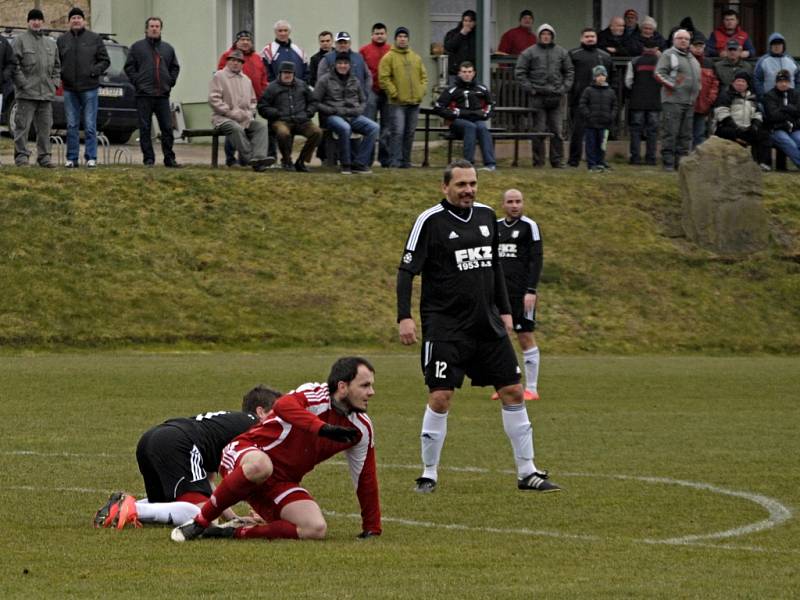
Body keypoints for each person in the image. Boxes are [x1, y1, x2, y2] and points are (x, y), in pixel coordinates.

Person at [396, 159, 560, 494]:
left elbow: (495, 266)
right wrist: (404, 316)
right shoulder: (429, 221)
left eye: (472, 184)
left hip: (487, 324)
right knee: (440, 396)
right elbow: (406, 271)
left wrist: (504, 310)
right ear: (445, 187)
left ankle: (527, 472)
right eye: (461, 185)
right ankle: (429, 474)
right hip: (446, 326)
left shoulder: (487, 217)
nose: (468, 190)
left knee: (513, 390)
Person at [170, 357, 381, 542]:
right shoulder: (315, 394)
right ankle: (200, 521)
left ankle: (233, 533)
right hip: (246, 454)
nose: (372, 392)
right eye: (364, 385)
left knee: (315, 529)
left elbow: (365, 477)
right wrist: (323, 429)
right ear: (342, 387)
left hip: (281, 482)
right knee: (262, 466)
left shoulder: (361, 428)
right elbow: (283, 405)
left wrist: (371, 528)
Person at [93, 385, 282, 530]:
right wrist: (266, 509)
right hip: (178, 442)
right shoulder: (256, 426)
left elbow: (209, 486)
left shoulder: (227, 425)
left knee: (168, 506)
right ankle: (132, 508)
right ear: (260, 412)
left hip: (153, 438)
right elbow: (245, 478)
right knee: (203, 516)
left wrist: (233, 519)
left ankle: (126, 505)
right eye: (277, 414)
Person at [495, 189, 543, 401]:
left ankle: (531, 388)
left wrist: (531, 290)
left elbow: (536, 260)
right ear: (503, 204)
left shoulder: (529, 226)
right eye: (510, 202)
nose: (514, 205)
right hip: (499, 295)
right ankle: (503, 385)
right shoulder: (494, 227)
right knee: (499, 340)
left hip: (522, 295)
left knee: (525, 336)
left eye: (518, 201)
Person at [56, 7, 109, 169]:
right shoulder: (62, 40)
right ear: (69, 21)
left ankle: (91, 157)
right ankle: (72, 158)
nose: (76, 20)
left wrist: (94, 71)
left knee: (90, 125)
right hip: (70, 89)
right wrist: (61, 76)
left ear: (84, 21)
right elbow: (56, 63)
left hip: (90, 88)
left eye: (79, 17)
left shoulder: (95, 39)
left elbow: (105, 60)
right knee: (71, 125)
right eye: (73, 18)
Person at [124, 17, 181, 168]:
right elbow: (129, 67)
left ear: (161, 29)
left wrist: (170, 81)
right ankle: (148, 159)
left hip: (162, 95)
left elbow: (175, 67)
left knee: (167, 128)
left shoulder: (168, 49)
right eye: (151, 26)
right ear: (146, 29)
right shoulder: (137, 48)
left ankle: (169, 159)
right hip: (144, 95)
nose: (154, 29)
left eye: (157, 26)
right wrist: (138, 82)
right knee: (145, 128)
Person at [515, 24, 574, 168]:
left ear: (552, 36)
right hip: (537, 97)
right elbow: (520, 72)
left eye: (549, 34)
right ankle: (538, 161)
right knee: (538, 131)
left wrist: (563, 88)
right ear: (539, 36)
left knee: (557, 131)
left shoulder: (561, 52)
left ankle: (557, 160)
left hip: (556, 97)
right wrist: (531, 89)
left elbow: (569, 72)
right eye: (543, 34)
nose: (546, 36)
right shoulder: (528, 53)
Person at [314, 52, 379, 174]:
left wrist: (359, 110)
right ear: (335, 65)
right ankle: (346, 164)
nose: (342, 66)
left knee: (374, 127)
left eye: (345, 63)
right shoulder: (325, 80)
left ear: (349, 65)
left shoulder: (355, 80)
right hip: (333, 116)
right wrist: (330, 110)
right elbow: (315, 102)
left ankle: (359, 163)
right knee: (345, 128)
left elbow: (363, 100)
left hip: (353, 115)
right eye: (339, 63)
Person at [208, 50, 273, 172]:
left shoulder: (246, 80)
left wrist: (249, 113)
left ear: (242, 64)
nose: (235, 63)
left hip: (244, 118)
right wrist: (229, 113)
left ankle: (259, 158)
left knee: (261, 127)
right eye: (232, 60)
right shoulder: (219, 76)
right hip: (223, 118)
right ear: (228, 62)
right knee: (235, 128)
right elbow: (214, 99)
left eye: (239, 61)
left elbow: (253, 101)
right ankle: (251, 158)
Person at [12, 9, 60, 168]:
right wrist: (23, 84)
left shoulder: (51, 43)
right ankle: (21, 157)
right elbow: (14, 65)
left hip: (46, 94)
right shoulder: (20, 40)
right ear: (28, 22)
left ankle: (44, 157)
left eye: (39, 19)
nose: (36, 22)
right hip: (26, 94)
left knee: (45, 129)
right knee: (22, 127)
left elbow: (57, 67)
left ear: (43, 22)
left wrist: (55, 82)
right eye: (33, 19)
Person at [257, 61, 321, 172]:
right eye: (285, 72)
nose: (287, 75)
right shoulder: (272, 87)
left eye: (290, 73)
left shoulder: (302, 85)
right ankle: (287, 161)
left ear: (294, 74)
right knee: (283, 133)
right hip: (281, 120)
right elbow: (262, 106)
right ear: (280, 73)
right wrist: (275, 113)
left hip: (301, 120)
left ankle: (301, 162)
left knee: (317, 132)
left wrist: (308, 112)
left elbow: (314, 101)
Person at [218, 30, 269, 168]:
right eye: (242, 40)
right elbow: (222, 76)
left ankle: (245, 159)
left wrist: (262, 95)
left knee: (248, 128)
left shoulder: (257, 58)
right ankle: (230, 158)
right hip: (232, 103)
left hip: (252, 100)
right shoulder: (227, 56)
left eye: (248, 40)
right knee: (234, 128)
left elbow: (263, 78)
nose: (245, 42)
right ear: (237, 42)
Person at [378, 26, 427, 169]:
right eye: (400, 36)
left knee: (410, 133)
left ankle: (406, 161)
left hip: (414, 102)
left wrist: (421, 91)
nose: (402, 39)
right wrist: (394, 93)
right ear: (395, 39)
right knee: (397, 132)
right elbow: (384, 78)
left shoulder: (416, 58)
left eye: (405, 36)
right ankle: (395, 161)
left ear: (408, 39)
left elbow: (424, 77)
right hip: (397, 103)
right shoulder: (389, 57)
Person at [433, 61, 496, 171]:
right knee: (470, 127)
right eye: (464, 72)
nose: (467, 74)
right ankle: (468, 164)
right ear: (459, 73)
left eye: (469, 72)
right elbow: (439, 107)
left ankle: (490, 164)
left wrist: (486, 114)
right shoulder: (452, 89)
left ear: (474, 73)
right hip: (457, 122)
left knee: (482, 127)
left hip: (476, 119)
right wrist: (453, 114)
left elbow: (490, 104)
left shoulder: (482, 88)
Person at [654, 29, 700, 171]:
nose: (683, 41)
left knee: (685, 135)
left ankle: (681, 164)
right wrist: (673, 85)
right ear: (674, 40)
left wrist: (699, 87)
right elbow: (658, 73)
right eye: (680, 38)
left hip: (689, 101)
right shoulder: (669, 55)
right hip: (672, 100)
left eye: (686, 39)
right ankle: (668, 163)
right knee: (670, 132)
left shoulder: (692, 57)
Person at [567, 27, 613, 168]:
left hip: (601, 101)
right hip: (579, 99)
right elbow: (567, 74)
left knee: (600, 134)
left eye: (592, 36)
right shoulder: (573, 54)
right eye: (587, 36)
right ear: (582, 38)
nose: (590, 38)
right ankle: (574, 160)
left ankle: (598, 160)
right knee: (577, 132)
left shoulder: (605, 56)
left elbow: (612, 76)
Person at [712, 70, 771, 171]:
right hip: (727, 127)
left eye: (743, 81)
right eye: (738, 81)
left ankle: (761, 164)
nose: (740, 83)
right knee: (729, 132)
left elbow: (757, 114)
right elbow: (721, 113)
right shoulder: (725, 95)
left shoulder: (752, 97)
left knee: (763, 135)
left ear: (747, 84)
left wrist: (754, 126)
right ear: (733, 82)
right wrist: (735, 127)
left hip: (746, 128)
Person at [625, 38, 662, 165]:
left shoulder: (634, 62)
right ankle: (651, 158)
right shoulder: (661, 62)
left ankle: (635, 157)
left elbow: (628, 82)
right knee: (652, 131)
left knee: (636, 130)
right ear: (656, 49)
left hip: (637, 100)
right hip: (655, 101)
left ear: (643, 48)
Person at [360, 23, 392, 168]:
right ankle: (368, 159)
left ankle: (385, 159)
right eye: (377, 33)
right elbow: (360, 72)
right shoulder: (364, 51)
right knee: (370, 126)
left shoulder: (392, 51)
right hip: (371, 91)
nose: (379, 36)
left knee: (387, 128)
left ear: (386, 35)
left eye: (382, 33)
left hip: (388, 92)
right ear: (372, 35)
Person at [580, 65, 617, 171]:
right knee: (591, 144)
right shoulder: (588, 90)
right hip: (591, 124)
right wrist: (588, 115)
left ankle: (601, 161)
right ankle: (591, 164)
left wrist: (612, 116)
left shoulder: (610, 91)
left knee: (602, 145)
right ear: (594, 77)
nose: (601, 77)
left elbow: (615, 105)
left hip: (605, 123)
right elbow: (583, 104)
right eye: (598, 75)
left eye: (603, 75)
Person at [762, 69, 800, 169]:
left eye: (786, 82)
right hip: (776, 128)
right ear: (776, 82)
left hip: (793, 127)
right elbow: (773, 116)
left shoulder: (795, 94)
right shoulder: (769, 95)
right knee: (789, 143)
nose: (783, 84)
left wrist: (784, 109)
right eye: (780, 81)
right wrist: (789, 110)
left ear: (789, 82)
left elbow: (798, 112)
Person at [689, 32, 719, 148]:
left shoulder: (709, 63)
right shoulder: (685, 60)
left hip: (703, 105)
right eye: (696, 46)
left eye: (701, 46)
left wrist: (710, 99)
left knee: (700, 134)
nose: (698, 49)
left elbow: (714, 83)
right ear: (691, 47)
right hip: (687, 104)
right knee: (686, 134)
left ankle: (698, 159)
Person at [317, 32, 371, 96]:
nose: (343, 45)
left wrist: (365, 92)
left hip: (356, 100)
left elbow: (368, 76)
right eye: (340, 43)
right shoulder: (327, 59)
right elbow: (320, 80)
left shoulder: (359, 58)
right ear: (335, 44)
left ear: (350, 43)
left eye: (345, 43)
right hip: (334, 100)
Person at [754, 33, 800, 98]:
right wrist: (762, 96)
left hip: (790, 99)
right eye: (774, 44)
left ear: (783, 46)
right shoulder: (763, 61)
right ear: (770, 46)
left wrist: (797, 94)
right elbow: (757, 80)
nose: (777, 46)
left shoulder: (791, 60)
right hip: (770, 99)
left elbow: (798, 79)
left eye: (779, 44)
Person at [444, 10, 477, 85]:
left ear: (475, 22)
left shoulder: (478, 34)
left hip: (473, 73)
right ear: (462, 21)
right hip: (456, 72)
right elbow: (448, 47)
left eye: (470, 21)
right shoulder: (453, 33)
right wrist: (462, 34)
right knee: (455, 94)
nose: (467, 23)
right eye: (465, 21)